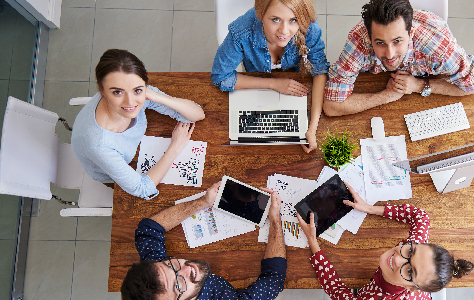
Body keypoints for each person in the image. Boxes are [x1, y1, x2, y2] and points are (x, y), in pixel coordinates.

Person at [296, 183, 474, 299]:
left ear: (413, 289)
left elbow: (338, 293)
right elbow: (421, 217)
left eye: (410, 272)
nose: (397, 259)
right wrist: (369, 208)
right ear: (418, 244)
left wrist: (313, 242)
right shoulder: (413, 242)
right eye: (410, 252)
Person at [72, 49, 205, 200]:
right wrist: (175, 146)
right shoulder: (99, 145)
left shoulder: (140, 93)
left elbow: (197, 114)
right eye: (117, 92)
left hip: (135, 149)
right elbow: (142, 189)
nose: (130, 102)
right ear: (101, 89)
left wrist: (157, 97)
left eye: (137, 90)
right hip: (107, 170)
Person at [120, 181, 287, 300]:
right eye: (178, 285)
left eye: (170, 265)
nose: (188, 269)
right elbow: (273, 279)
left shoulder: (156, 276)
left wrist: (203, 202)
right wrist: (275, 219)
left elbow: (148, 229)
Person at [323, 0, 474, 117]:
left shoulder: (439, 49)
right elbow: (331, 106)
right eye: (380, 43)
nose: (390, 54)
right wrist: (386, 95)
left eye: (397, 41)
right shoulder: (359, 40)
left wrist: (420, 85)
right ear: (369, 38)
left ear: (411, 33)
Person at [211, 0, 329, 153]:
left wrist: (312, 129)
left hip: (294, 80)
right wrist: (273, 84)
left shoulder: (309, 28)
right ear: (260, 14)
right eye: (276, 20)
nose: (284, 31)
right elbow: (220, 76)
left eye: (293, 20)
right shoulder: (241, 32)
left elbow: (319, 70)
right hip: (256, 78)